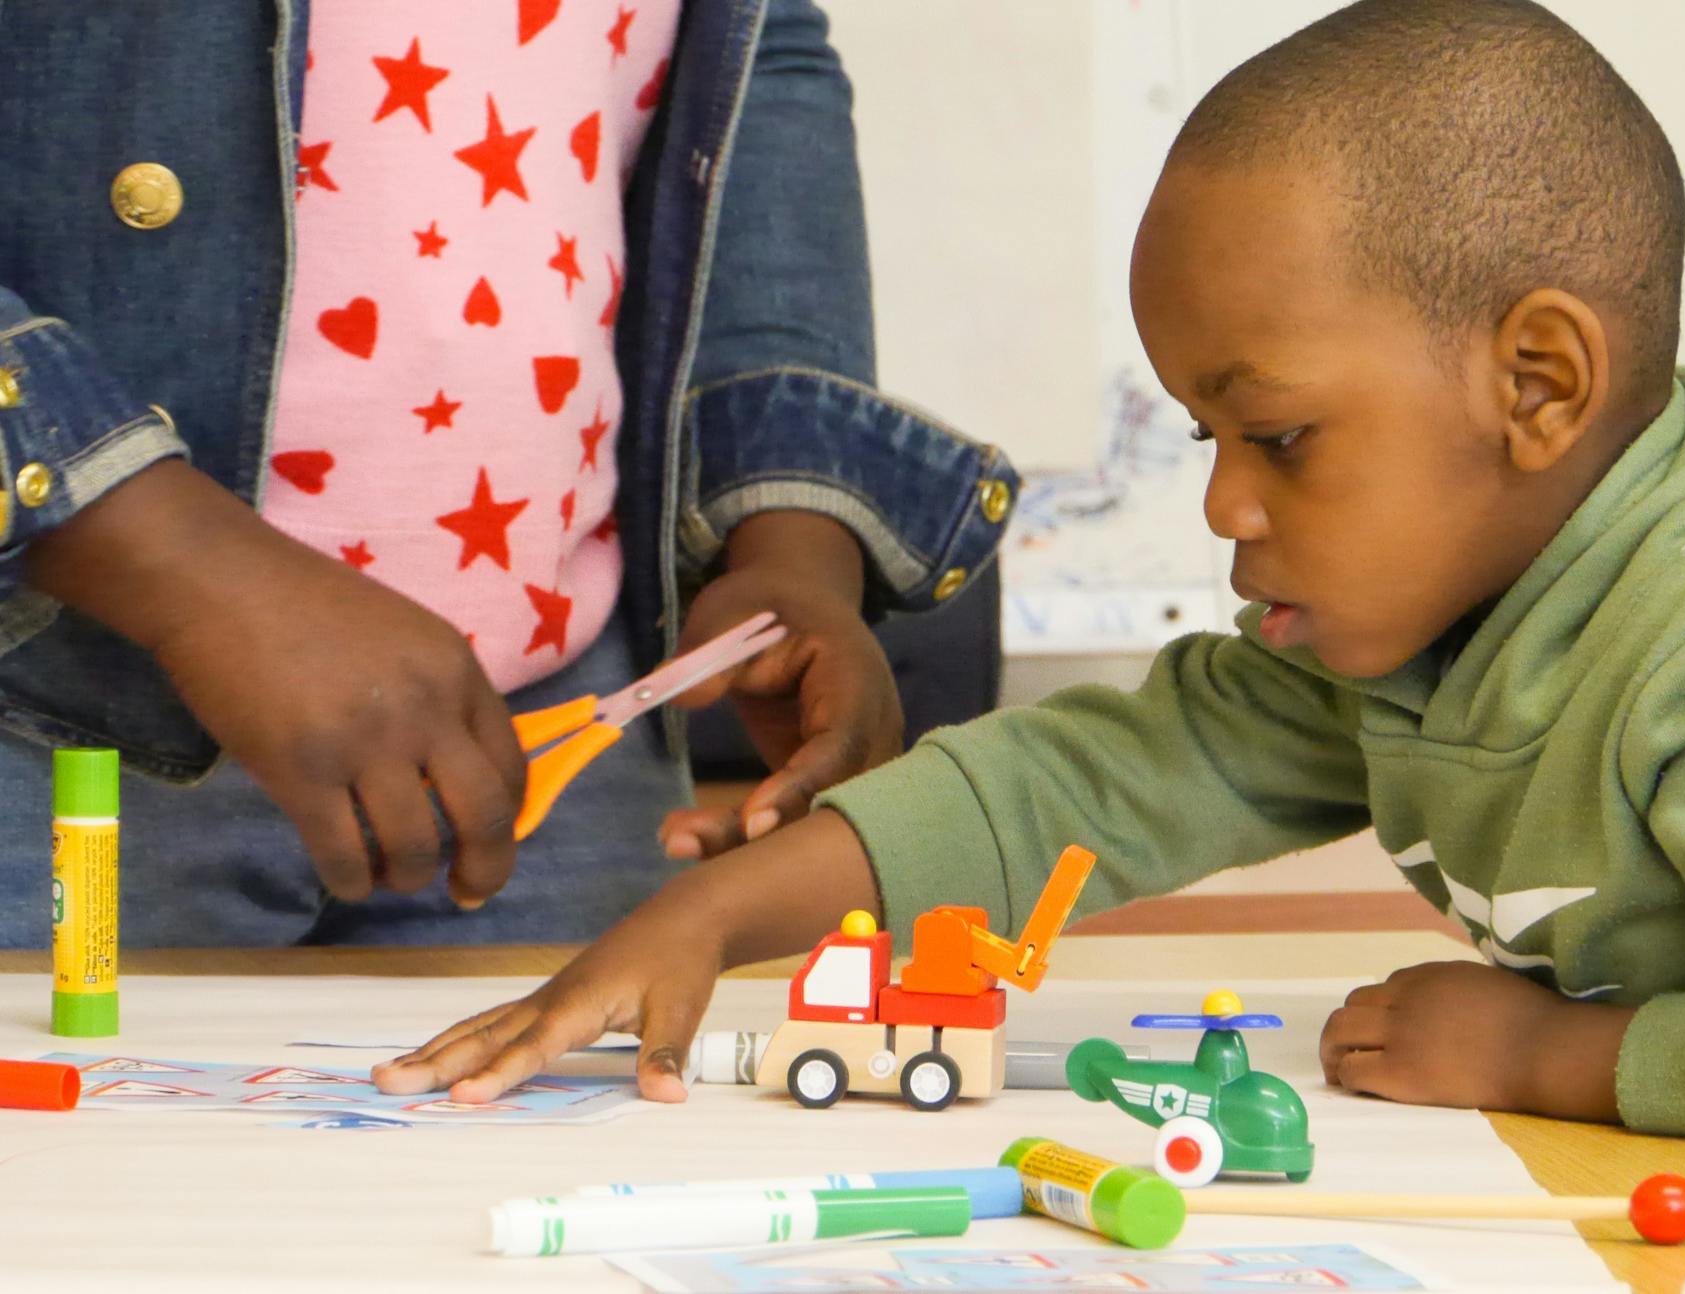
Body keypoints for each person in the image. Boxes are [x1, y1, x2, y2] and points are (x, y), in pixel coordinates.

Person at [374, 0, 1685, 1148]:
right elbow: (1084, 783)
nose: (1227, 505)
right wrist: (707, 915)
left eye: (1281, 436)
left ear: (1538, 383)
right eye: (1203, 437)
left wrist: (1545, 1057)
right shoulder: (1427, 612)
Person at [0, 0, 1017, 949]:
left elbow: (756, 65)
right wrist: (186, 569)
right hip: (47, 726)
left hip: (564, 735)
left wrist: (792, 533)